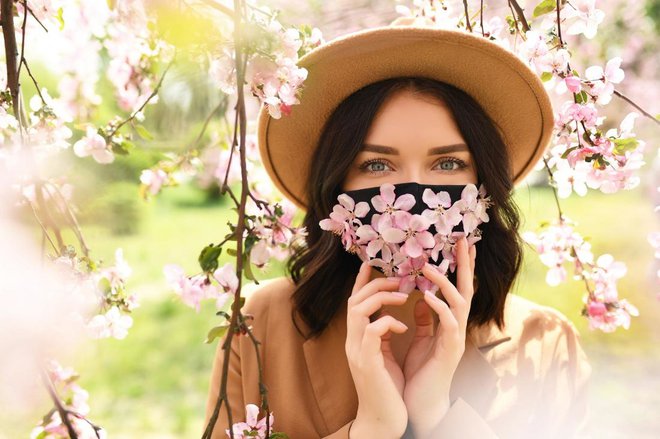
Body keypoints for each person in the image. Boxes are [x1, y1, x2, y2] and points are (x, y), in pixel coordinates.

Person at [205, 17, 592, 439]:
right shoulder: (262, 323)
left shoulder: (547, 344)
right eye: (376, 165)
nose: (412, 196)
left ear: (484, 188)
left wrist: (439, 419)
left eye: (448, 164)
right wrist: (371, 429)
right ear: (336, 187)